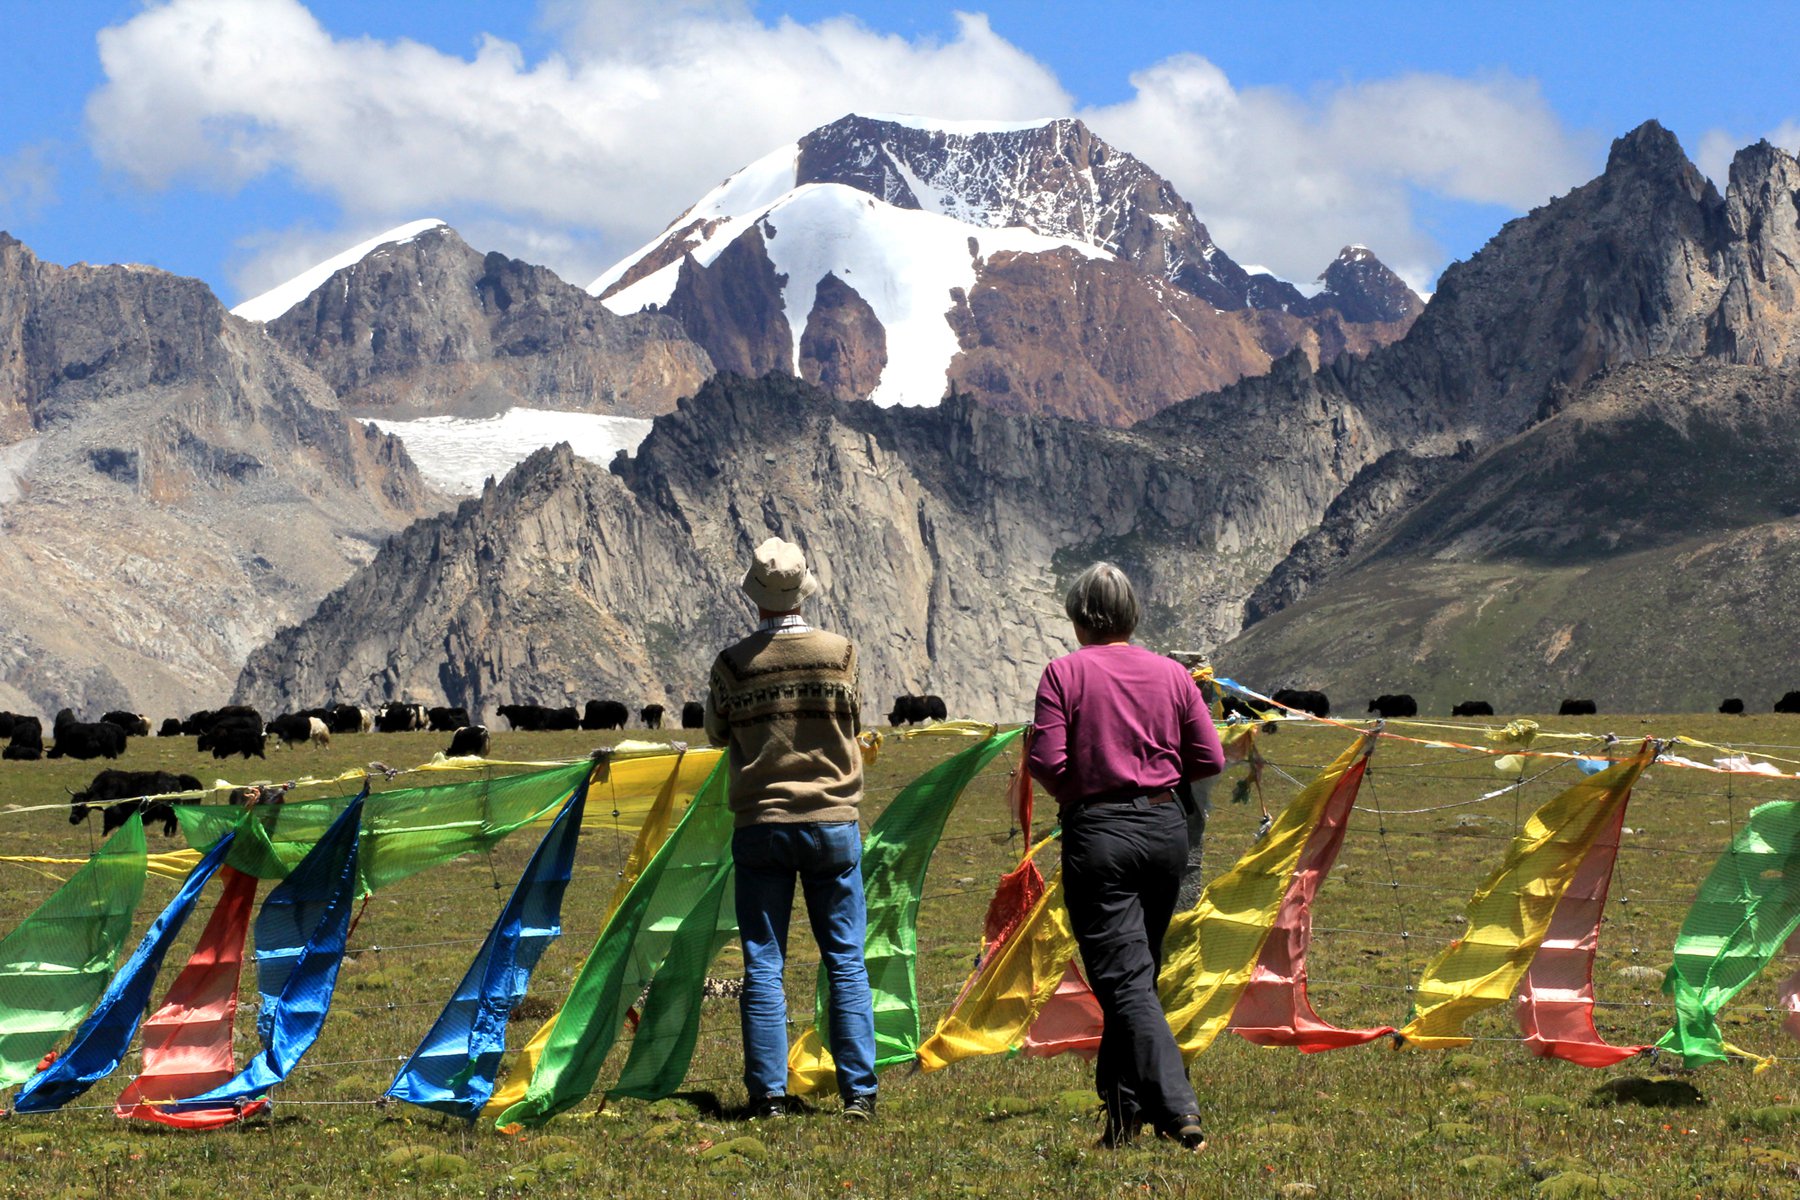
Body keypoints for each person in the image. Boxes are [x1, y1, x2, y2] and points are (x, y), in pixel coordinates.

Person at [1026, 562, 1225, 1150]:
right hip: (1166, 830)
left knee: (1124, 979)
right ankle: (1121, 1116)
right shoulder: (1171, 675)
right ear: (1131, 615)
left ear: (1078, 616)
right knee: (1135, 976)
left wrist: (1081, 790)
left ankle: (1177, 1106)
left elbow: (1045, 761)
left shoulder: (1063, 674)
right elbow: (1209, 758)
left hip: (1099, 832)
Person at [704, 536, 877, 1122]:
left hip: (762, 824)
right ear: (804, 589)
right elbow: (854, 718)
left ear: (756, 595)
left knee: (764, 961)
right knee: (845, 959)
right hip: (833, 821)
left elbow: (715, 733)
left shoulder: (732, 664)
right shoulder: (842, 653)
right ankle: (859, 1093)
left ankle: (770, 1095)